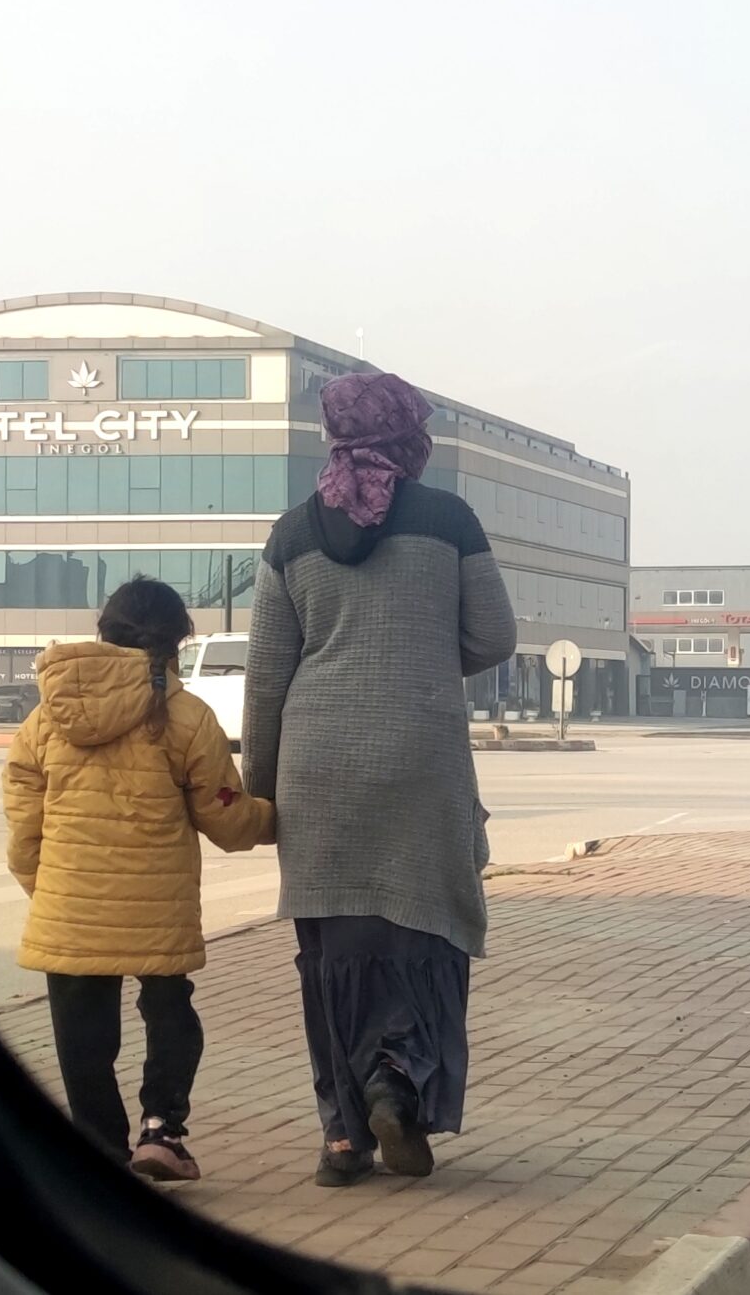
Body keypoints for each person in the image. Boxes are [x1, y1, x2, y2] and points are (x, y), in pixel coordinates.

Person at [244, 371, 516, 1187]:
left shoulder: (291, 534)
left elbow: (265, 676)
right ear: (410, 440)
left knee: (329, 950)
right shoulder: (449, 518)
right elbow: (495, 633)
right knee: (423, 935)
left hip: (316, 762)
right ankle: (397, 1083)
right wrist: (428, 657)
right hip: (420, 756)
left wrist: (262, 789)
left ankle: (341, 1136)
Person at [4, 576, 274, 1181]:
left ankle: (99, 1150)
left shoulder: (48, 715)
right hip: (159, 902)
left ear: (104, 632)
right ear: (179, 640)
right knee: (169, 1008)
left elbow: (23, 807)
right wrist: (274, 819)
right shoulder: (185, 715)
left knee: (82, 1035)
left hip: (69, 905)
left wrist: (42, 883)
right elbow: (224, 812)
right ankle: (162, 1131)